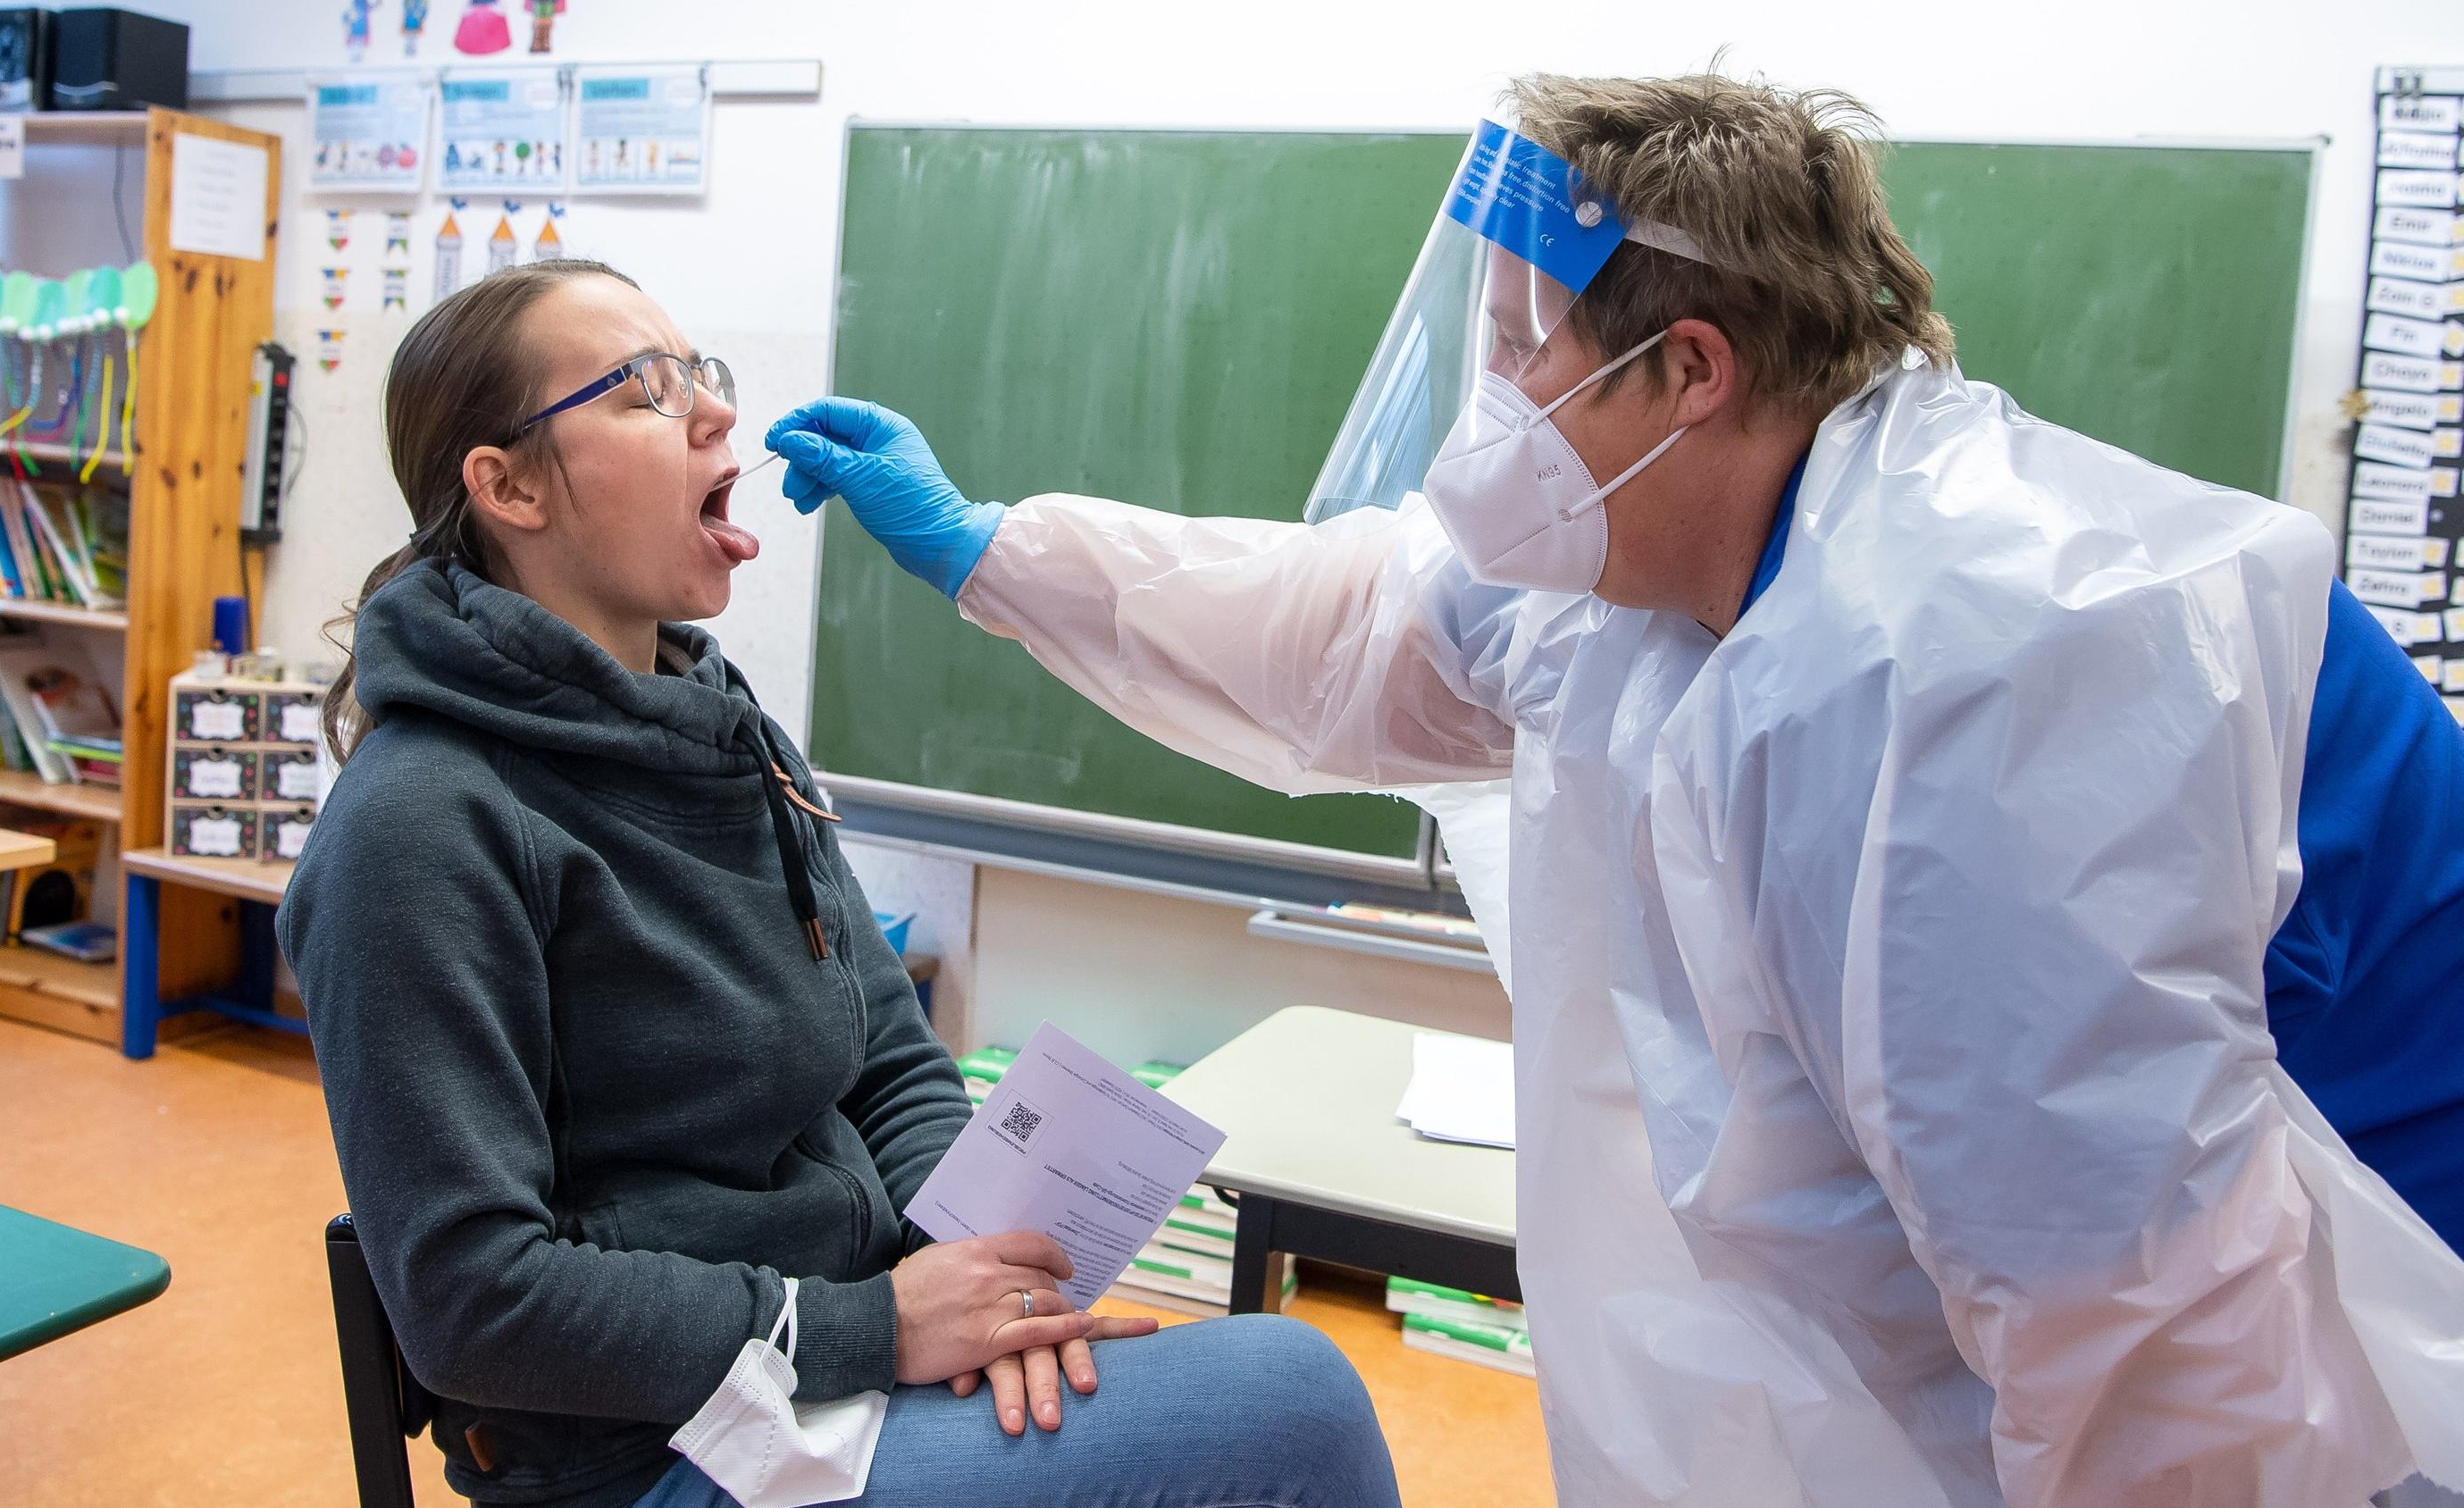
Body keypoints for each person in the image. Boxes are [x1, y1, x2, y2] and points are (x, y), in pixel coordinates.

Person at [769, 76, 2464, 1507]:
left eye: (1525, 348)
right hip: (2108, 1287)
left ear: (1696, 369)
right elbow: (1349, 633)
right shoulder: (1661, 566)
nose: (1487, 405)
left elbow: (2141, 1327)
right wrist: (994, 547)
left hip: (2367, 1332)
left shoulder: (1970, 665)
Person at [278, 259, 1400, 1508]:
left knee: (1253, 1403)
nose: (714, 414)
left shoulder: (724, 735)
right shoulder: (418, 828)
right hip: (665, 1451)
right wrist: (878, 1329)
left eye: (704, 374)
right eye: (647, 390)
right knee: (1296, 1404)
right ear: (510, 487)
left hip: (848, 1358)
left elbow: (885, 1053)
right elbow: (471, 1301)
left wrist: (980, 1271)